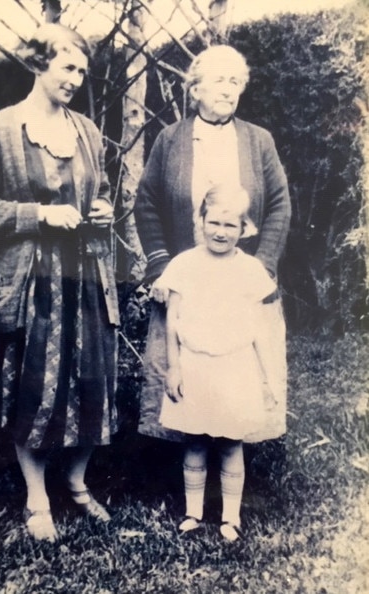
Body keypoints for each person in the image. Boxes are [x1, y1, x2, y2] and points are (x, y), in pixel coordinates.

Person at [0, 24, 119, 542]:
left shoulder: (88, 132)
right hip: (34, 282)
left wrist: (101, 208)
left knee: (93, 378)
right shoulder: (4, 129)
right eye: (66, 67)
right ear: (38, 65)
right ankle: (36, 495)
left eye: (81, 71)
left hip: (86, 276)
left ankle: (75, 481)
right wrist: (40, 215)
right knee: (35, 386)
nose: (75, 79)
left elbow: (105, 191)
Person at [134, 44, 291, 444]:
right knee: (186, 365)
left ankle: (237, 449)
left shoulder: (259, 141)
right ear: (196, 88)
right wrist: (162, 268)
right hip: (189, 279)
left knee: (240, 366)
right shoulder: (170, 140)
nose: (229, 90)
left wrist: (263, 266)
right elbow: (147, 203)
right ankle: (184, 457)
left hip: (241, 278)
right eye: (220, 80)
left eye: (236, 82)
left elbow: (279, 205)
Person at [159, 185, 277, 540]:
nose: (220, 232)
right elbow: (172, 320)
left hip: (234, 366)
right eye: (214, 223)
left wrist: (267, 378)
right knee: (194, 439)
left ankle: (231, 517)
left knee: (230, 442)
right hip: (194, 363)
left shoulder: (251, 270)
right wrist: (174, 366)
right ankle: (193, 513)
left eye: (230, 225)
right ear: (201, 221)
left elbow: (258, 328)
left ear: (244, 229)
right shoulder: (184, 265)